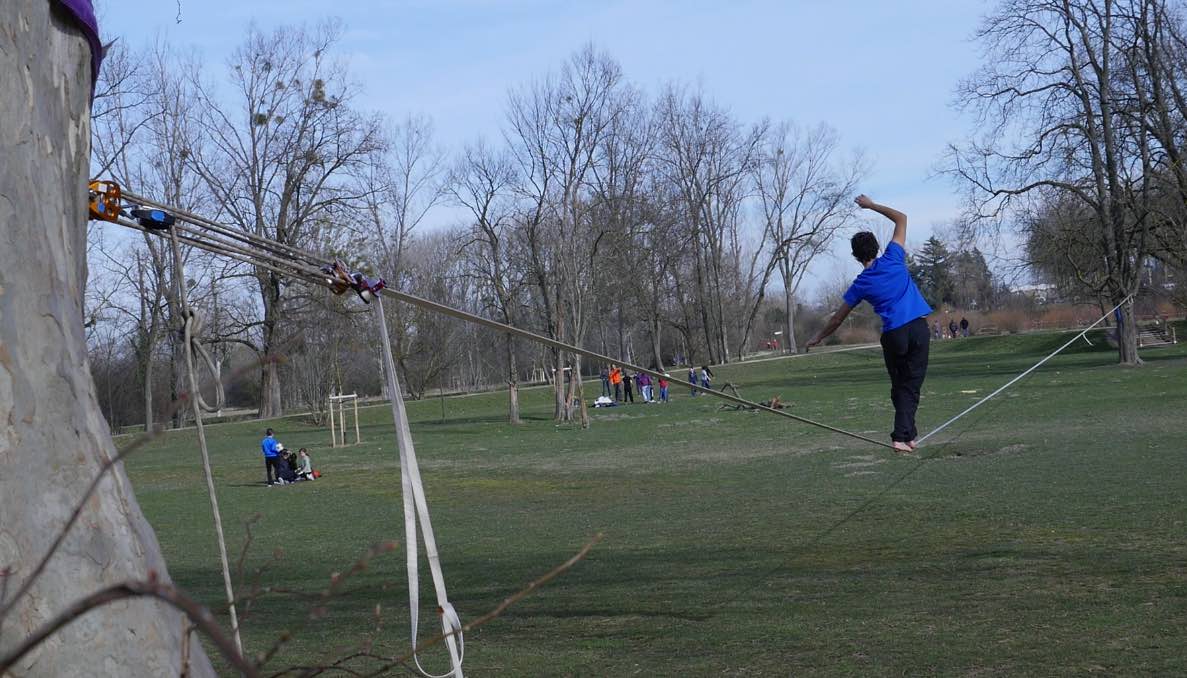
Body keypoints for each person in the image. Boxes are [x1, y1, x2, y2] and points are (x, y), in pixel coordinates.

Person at [806, 194, 932, 453]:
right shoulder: (894, 257)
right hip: (918, 328)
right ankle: (901, 436)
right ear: (877, 247)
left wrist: (819, 337)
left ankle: (907, 435)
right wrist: (871, 205)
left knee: (901, 386)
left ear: (855, 256)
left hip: (894, 335)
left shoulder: (861, 284)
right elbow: (901, 218)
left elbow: (837, 318)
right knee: (910, 385)